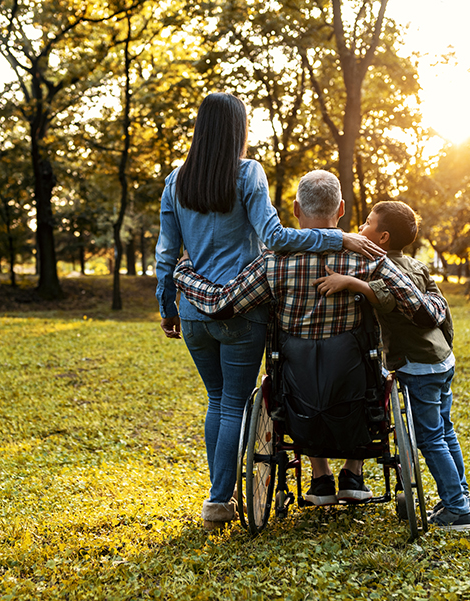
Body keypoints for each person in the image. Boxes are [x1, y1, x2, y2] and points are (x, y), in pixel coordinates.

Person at [154, 94, 383, 532]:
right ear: (238, 129)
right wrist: (338, 240)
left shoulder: (175, 181)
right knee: (233, 404)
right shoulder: (246, 173)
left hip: (195, 309)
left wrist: (168, 307)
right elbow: (275, 237)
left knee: (217, 401)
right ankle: (220, 499)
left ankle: (219, 497)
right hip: (242, 307)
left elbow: (167, 255)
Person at [172, 170, 448, 507]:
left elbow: (219, 305)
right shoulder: (369, 258)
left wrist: (183, 273)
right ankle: (352, 471)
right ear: (342, 209)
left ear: (296, 210)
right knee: (359, 362)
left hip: (296, 398)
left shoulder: (273, 262)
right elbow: (421, 311)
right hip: (356, 393)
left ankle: (320, 477)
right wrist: (438, 302)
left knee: (299, 370)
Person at [316, 200, 470, 531]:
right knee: (445, 431)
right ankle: (460, 498)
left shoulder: (384, 270)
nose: (361, 226)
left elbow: (384, 297)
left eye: (367, 222)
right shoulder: (416, 266)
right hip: (442, 358)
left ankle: (457, 510)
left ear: (382, 237)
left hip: (418, 365)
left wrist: (348, 282)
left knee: (431, 439)